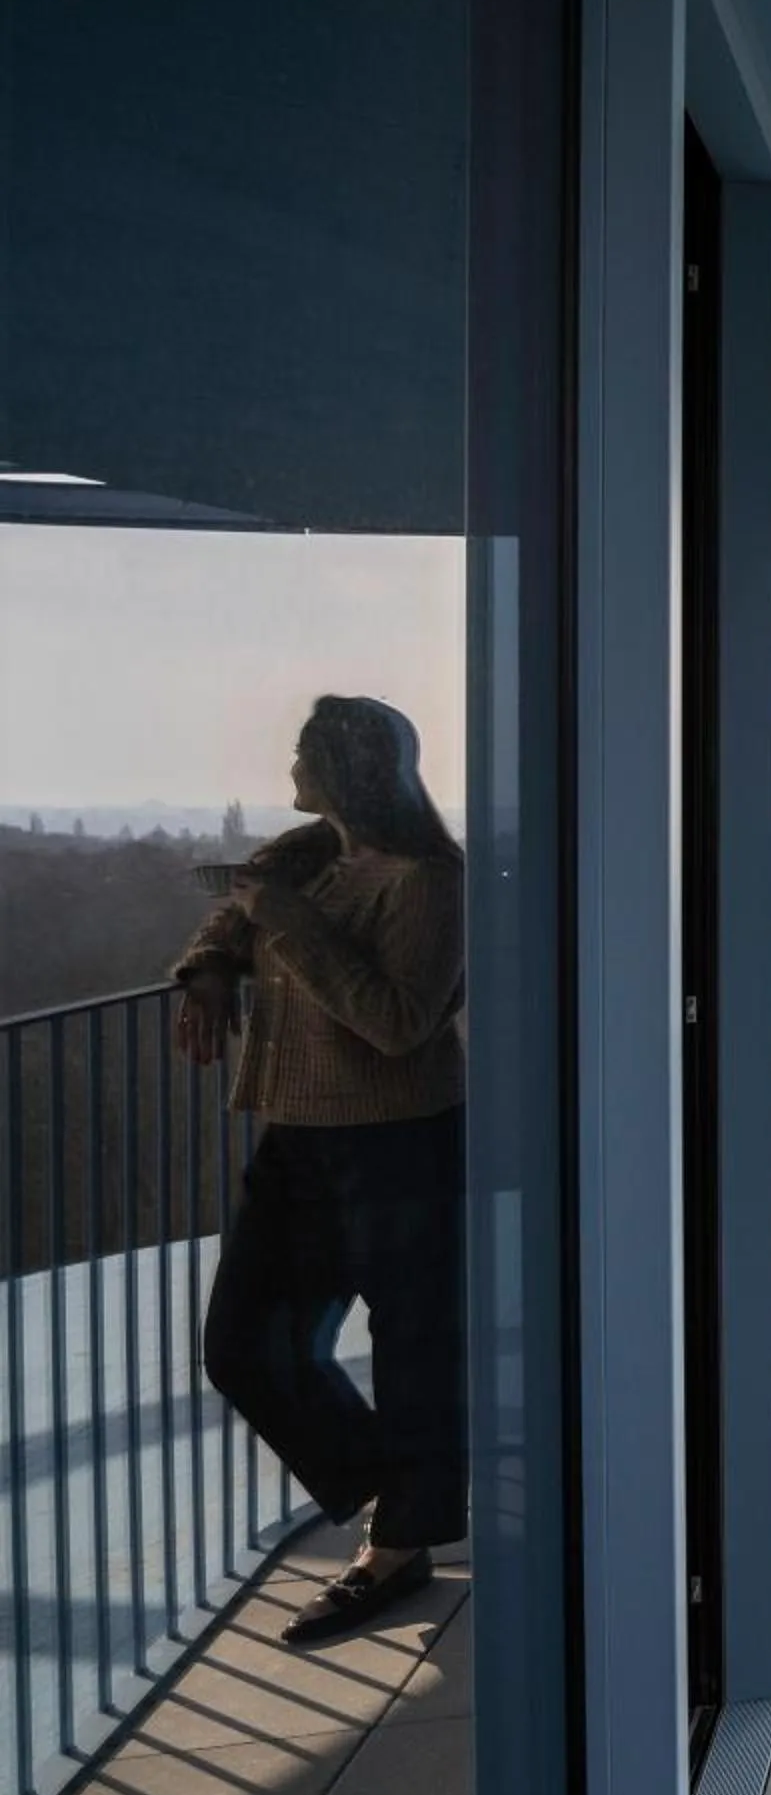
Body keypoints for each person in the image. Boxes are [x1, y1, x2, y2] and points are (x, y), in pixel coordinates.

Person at [175, 696, 468, 1643]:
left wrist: (288, 925)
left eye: (305, 748)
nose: (291, 760)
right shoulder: (302, 859)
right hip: (298, 1136)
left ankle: (399, 1544)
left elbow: (396, 1022)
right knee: (242, 1346)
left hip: (397, 1134)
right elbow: (231, 915)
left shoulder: (424, 882)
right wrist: (212, 969)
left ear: (347, 766)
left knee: (414, 1349)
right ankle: (409, 1491)